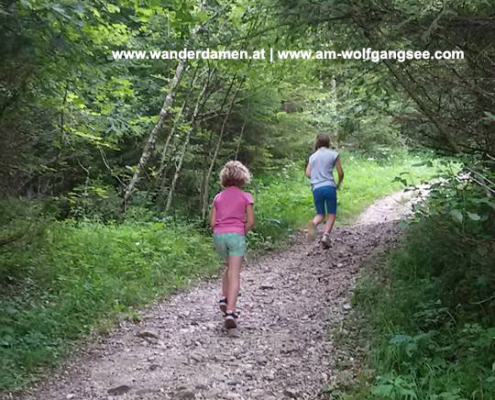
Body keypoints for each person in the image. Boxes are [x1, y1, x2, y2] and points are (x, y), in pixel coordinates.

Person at [210, 160, 255, 329]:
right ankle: (230, 311)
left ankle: (224, 297)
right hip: (236, 235)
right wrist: (241, 231)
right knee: (235, 273)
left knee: (228, 267)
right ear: (243, 177)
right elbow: (251, 221)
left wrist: (222, 229)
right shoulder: (246, 197)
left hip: (219, 236)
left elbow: (212, 222)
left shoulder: (218, 197)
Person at [305, 133, 344, 247]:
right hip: (329, 186)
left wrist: (317, 177)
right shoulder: (334, 154)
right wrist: (338, 184)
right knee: (331, 213)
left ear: (317, 142)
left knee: (320, 214)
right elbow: (340, 172)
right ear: (328, 142)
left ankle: (312, 225)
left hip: (316, 188)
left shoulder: (313, 157)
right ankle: (326, 236)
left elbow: (308, 173)